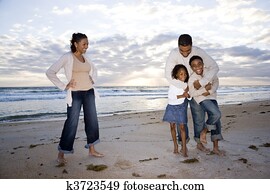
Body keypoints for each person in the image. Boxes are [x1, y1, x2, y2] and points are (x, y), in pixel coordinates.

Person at [46, 33, 103, 164]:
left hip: (89, 92)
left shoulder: (86, 58)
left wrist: (92, 79)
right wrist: (64, 86)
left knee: (92, 121)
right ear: (75, 44)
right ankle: (61, 154)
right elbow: (50, 72)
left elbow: (94, 70)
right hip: (75, 94)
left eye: (87, 44)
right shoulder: (67, 57)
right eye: (84, 44)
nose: (86, 46)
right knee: (71, 123)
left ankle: (92, 150)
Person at [165, 34, 219, 152]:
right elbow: (168, 76)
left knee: (198, 118)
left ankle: (199, 143)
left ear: (192, 46)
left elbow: (214, 67)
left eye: (188, 51)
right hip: (182, 90)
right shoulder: (173, 54)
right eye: (182, 51)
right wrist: (186, 86)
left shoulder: (199, 51)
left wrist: (202, 82)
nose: (185, 54)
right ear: (178, 46)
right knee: (180, 121)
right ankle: (182, 144)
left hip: (197, 90)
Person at [188, 55, 224, 155]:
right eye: (194, 65)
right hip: (200, 99)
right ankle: (200, 143)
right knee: (200, 121)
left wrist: (210, 91)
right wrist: (205, 89)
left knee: (216, 119)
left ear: (203, 64)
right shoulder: (192, 79)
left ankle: (215, 147)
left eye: (199, 64)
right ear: (191, 67)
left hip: (211, 97)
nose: (197, 67)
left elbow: (216, 81)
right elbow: (192, 93)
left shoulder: (210, 72)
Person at [163, 64, 190, 157]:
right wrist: (183, 95)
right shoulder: (173, 83)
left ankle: (184, 148)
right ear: (176, 75)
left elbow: (189, 97)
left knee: (182, 127)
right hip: (171, 106)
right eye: (181, 74)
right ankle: (175, 146)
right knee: (172, 127)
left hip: (181, 106)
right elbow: (171, 96)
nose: (183, 76)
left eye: (185, 74)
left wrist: (188, 94)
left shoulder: (186, 85)